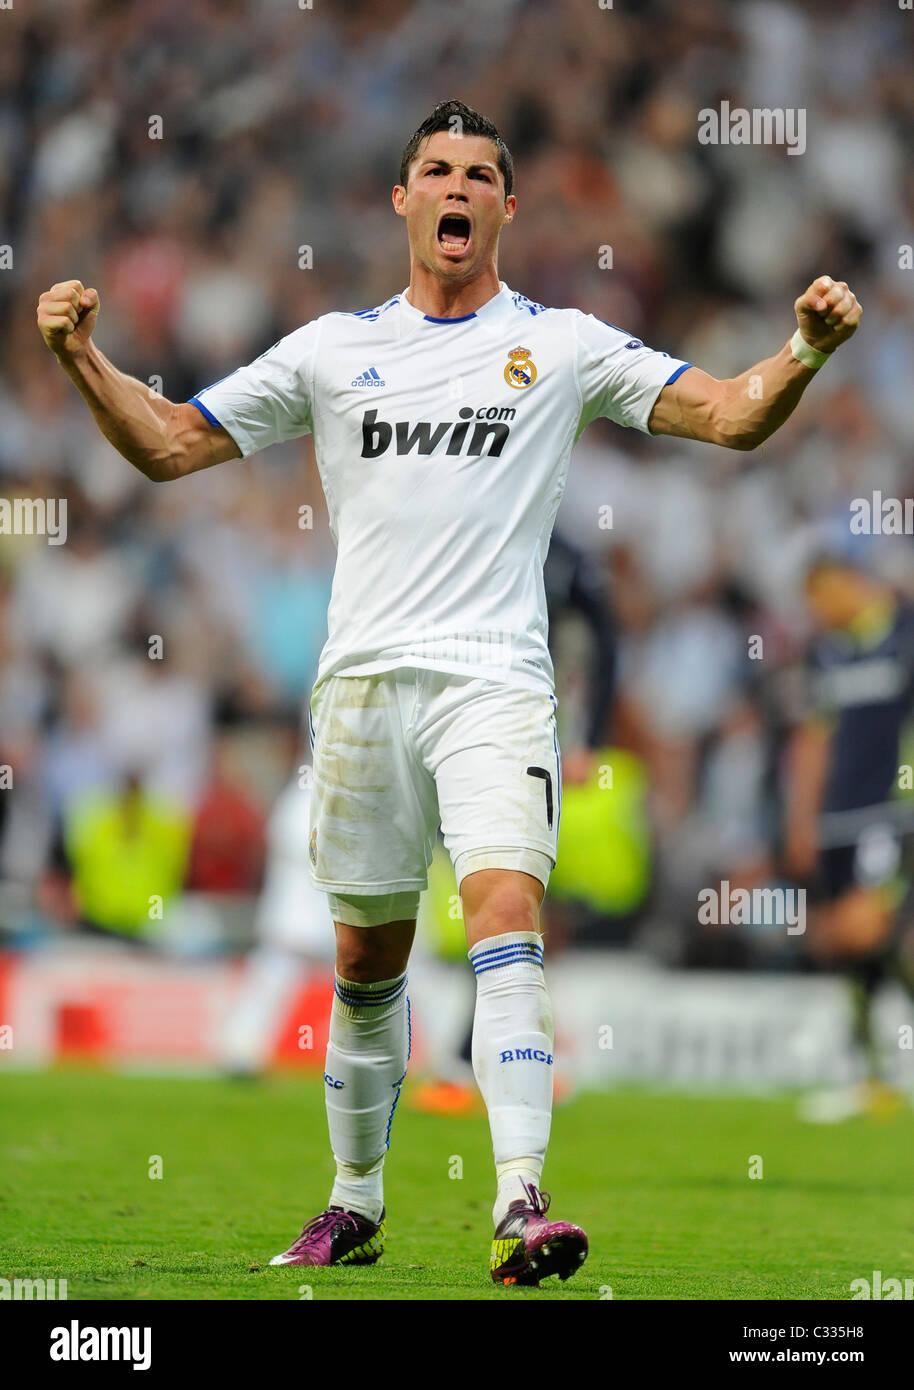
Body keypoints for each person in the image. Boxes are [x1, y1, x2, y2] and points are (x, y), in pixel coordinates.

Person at [37, 98, 862, 1287]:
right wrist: (80, 358)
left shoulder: (564, 344)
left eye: (479, 172)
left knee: (502, 921)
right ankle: (352, 1202)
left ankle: (521, 1201)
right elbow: (169, 443)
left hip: (496, 685)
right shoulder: (330, 349)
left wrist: (803, 352)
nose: (457, 188)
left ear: (506, 207)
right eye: (436, 169)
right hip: (364, 691)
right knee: (366, 963)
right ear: (402, 197)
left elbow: (729, 417)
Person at [785, 552, 914, 1121]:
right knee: (854, 951)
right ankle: (872, 1078)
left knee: (867, 930)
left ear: (846, 580)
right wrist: (802, 821)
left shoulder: (906, 634)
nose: (816, 611)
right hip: (838, 822)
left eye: (819, 596)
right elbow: (814, 739)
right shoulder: (828, 652)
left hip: (891, 813)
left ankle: (875, 1074)